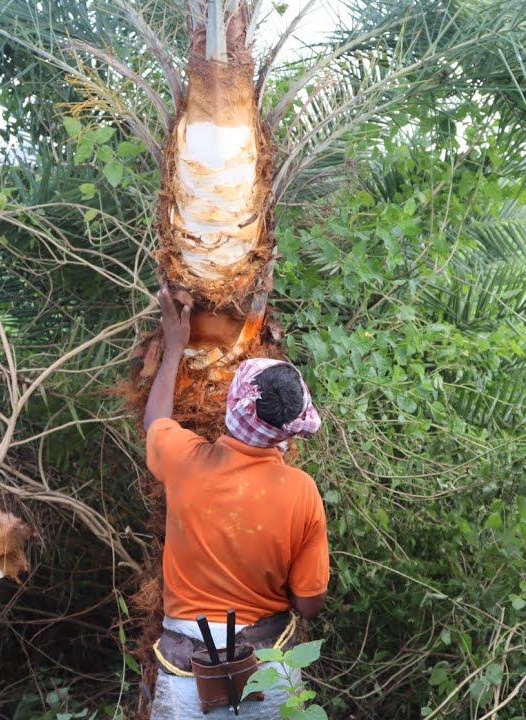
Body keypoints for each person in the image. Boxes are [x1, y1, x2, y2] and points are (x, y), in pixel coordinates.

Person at [144, 288, 329, 718]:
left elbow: (156, 421)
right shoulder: (302, 492)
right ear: (288, 430)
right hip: (270, 674)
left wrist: (174, 347)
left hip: (187, 675)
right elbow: (309, 604)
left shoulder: (184, 461)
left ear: (231, 407)